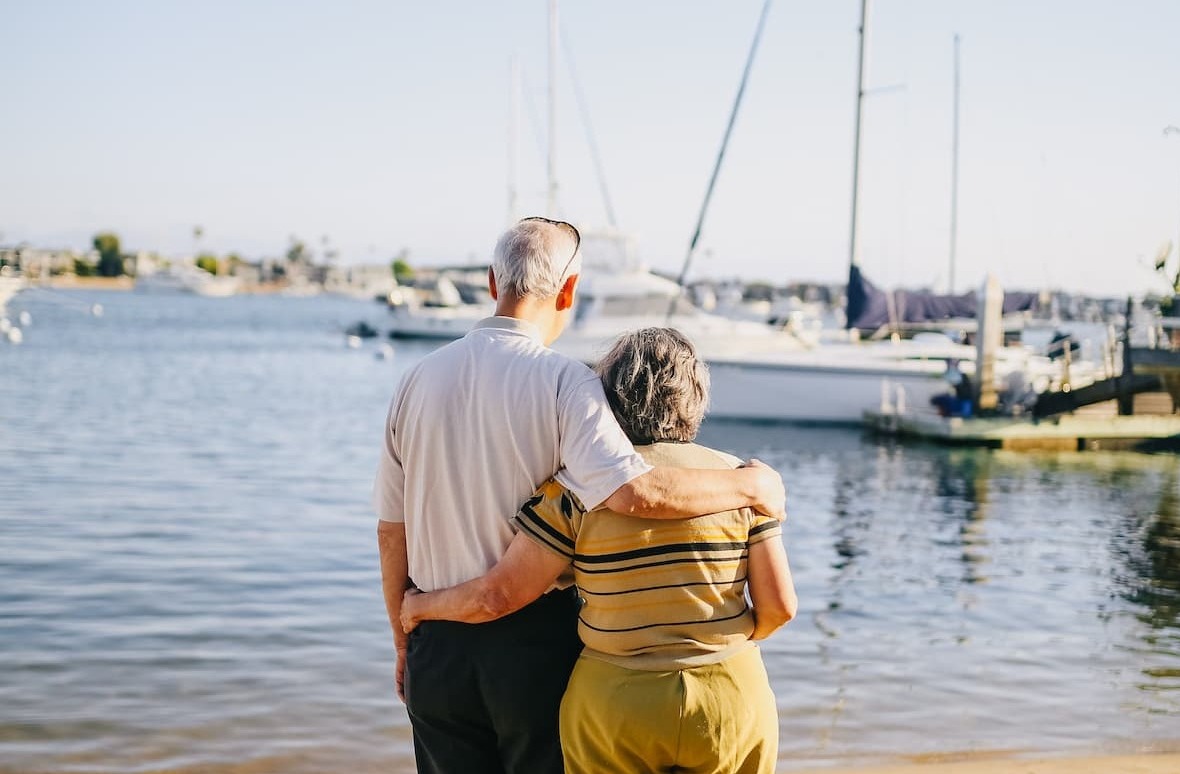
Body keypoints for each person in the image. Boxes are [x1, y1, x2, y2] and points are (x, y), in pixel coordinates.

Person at [374, 218, 787, 774]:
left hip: (435, 644)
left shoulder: (414, 381)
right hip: (533, 647)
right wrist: (751, 484)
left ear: (493, 281)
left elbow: (390, 531)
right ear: (569, 290)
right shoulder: (569, 382)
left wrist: (404, 636)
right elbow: (635, 492)